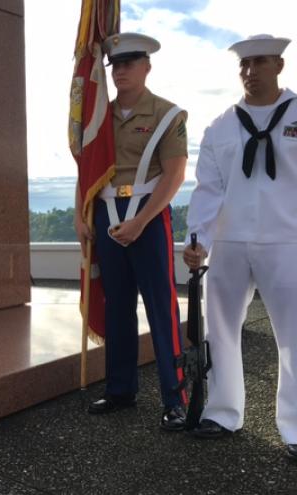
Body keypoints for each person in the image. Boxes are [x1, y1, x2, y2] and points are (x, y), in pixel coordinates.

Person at [183, 34, 297, 458]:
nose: (250, 72)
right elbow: (208, 189)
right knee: (221, 329)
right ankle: (223, 411)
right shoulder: (222, 126)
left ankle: (295, 426)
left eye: (260, 63)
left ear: (279, 67)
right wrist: (198, 238)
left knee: (294, 336)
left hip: (287, 239)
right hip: (229, 241)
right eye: (244, 65)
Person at [75, 33, 189, 430]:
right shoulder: (99, 117)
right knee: (117, 305)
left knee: (161, 306)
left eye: (129, 63)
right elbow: (86, 169)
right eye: (115, 65)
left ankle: (175, 398)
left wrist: (141, 221)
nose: (121, 70)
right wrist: (80, 215)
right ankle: (121, 389)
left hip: (149, 213)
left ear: (146, 67)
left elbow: (174, 175)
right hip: (106, 213)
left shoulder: (167, 114)